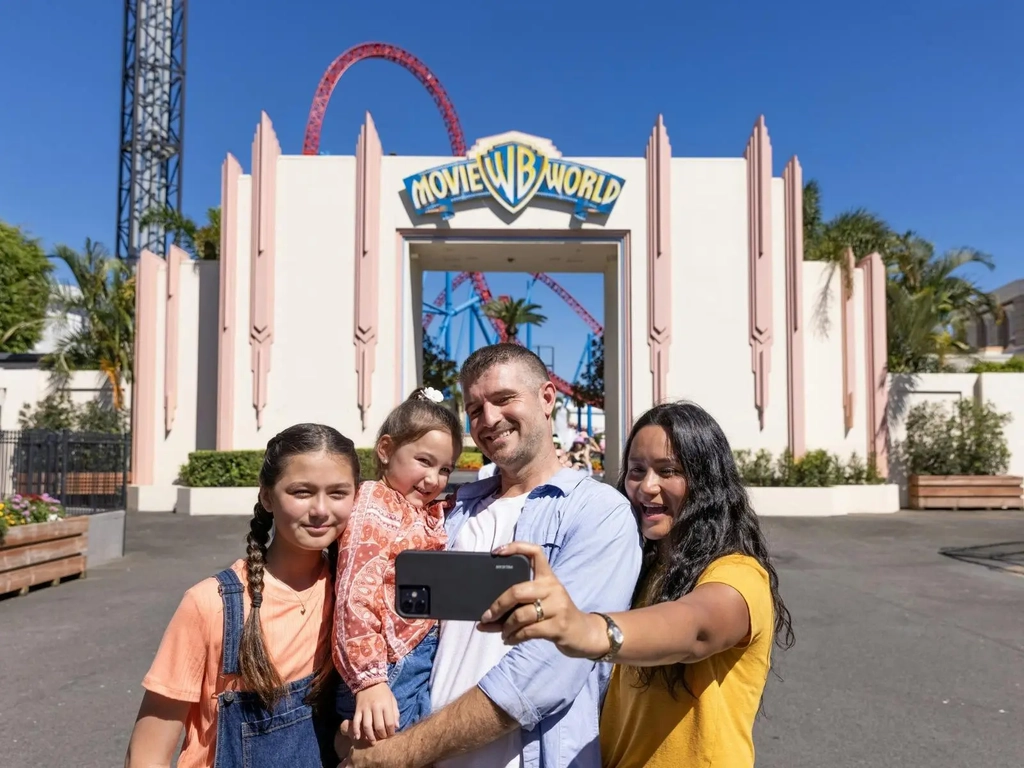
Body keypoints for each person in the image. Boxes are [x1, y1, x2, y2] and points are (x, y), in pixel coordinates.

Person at [338, 343, 644, 768]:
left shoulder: (597, 512)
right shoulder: (452, 507)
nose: (489, 419)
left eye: (503, 399)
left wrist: (401, 753)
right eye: (475, 409)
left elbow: (548, 670)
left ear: (547, 398)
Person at [479, 401, 796, 768]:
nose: (647, 486)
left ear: (707, 481)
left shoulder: (738, 573)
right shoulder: (643, 568)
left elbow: (695, 629)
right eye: (636, 471)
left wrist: (586, 629)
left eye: (668, 471)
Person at [124, 423, 361, 768]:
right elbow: (148, 753)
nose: (321, 509)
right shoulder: (212, 604)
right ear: (267, 496)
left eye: (338, 493)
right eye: (301, 492)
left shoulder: (352, 593)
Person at [333, 387, 462, 744]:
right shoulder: (374, 505)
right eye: (424, 461)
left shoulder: (412, 508)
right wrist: (369, 680)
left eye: (445, 469)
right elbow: (354, 596)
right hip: (387, 666)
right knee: (390, 752)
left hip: (412, 658)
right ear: (386, 450)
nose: (434, 479)